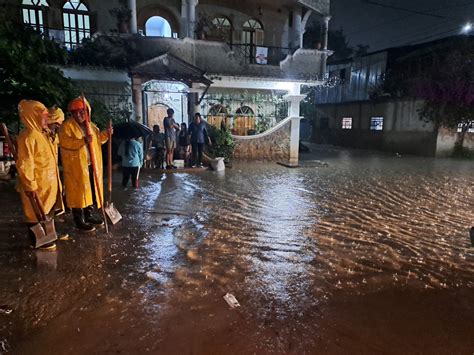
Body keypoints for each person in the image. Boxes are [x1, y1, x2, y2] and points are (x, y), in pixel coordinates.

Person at [58, 97, 112, 232]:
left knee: (91, 192)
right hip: (76, 167)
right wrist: (83, 141)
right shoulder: (66, 127)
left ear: (87, 111)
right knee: (78, 193)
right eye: (74, 112)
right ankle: (78, 220)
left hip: (91, 166)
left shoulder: (92, 126)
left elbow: (98, 140)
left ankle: (88, 215)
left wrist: (106, 134)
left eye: (81, 112)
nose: (78, 115)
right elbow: (65, 142)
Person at [16, 100, 64, 250]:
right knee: (33, 213)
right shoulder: (28, 137)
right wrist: (30, 185)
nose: (46, 119)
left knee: (46, 211)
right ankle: (37, 240)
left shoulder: (42, 135)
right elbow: (25, 164)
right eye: (43, 116)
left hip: (46, 184)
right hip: (36, 186)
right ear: (32, 116)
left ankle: (46, 235)